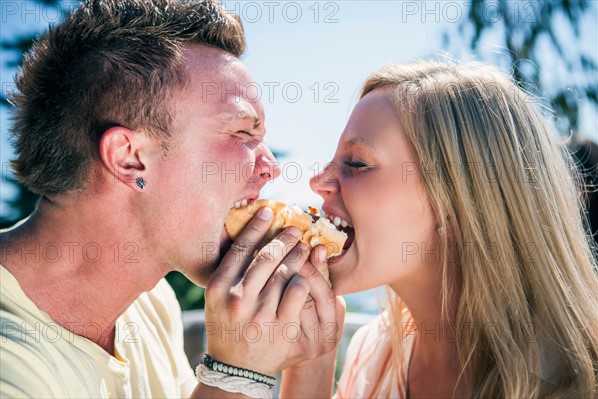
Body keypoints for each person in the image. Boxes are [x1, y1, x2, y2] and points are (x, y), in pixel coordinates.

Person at [0, 1, 342, 398]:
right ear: (130, 159)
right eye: (241, 135)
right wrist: (235, 373)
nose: (270, 168)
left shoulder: (149, 306)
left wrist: (307, 354)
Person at [303, 60, 598, 398]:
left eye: (357, 163)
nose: (318, 181)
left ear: (456, 206)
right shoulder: (372, 353)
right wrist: (310, 365)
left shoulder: (576, 382)